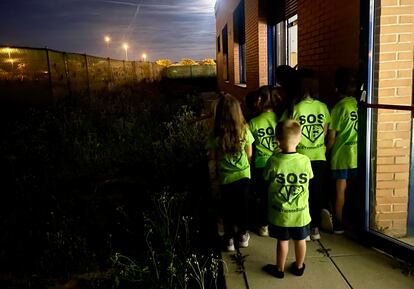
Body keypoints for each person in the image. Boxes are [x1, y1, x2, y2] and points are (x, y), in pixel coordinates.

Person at [262, 119, 313, 278]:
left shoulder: (274, 161)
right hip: (300, 213)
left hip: (281, 214)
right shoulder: (305, 161)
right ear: (300, 139)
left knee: (282, 241)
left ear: (277, 141)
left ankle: (279, 269)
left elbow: (266, 178)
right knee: (301, 240)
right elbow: (309, 178)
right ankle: (298, 266)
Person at [285, 68, 331, 239]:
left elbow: (291, 133)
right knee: (317, 192)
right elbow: (325, 132)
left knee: (301, 192)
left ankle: (302, 228)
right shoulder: (323, 107)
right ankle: (315, 229)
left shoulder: (295, 108)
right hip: (319, 156)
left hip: (301, 157)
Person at [206, 92, 255, 251]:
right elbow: (249, 154)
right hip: (243, 176)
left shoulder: (215, 134)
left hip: (226, 177)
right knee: (244, 207)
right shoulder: (245, 130)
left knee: (227, 208)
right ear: (237, 111)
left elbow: (212, 157)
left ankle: (228, 240)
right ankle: (242, 235)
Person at [326, 67, 358, 234]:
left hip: (341, 155)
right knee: (353, 189)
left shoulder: (339, 107)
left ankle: (338, 222)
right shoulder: (358, 105)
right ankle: (353, 219)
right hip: (356, 154)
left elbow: (331, 135)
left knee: (340, 190)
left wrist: (327, 152)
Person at [248, 85, 280, 237]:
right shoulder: (281, 118)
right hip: (280, 162)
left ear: (259, 100)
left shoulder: (253, 122)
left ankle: (263, 225)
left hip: (261, 163)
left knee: (262, 196)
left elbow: (249, 149)